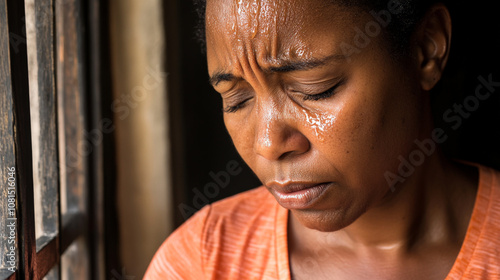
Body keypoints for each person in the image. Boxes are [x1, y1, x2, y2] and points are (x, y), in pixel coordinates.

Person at [145, 0, 500, 279]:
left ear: (425, 48)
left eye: (316, 89)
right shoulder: (204, 261)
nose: (268, 144)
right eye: (237, 100)